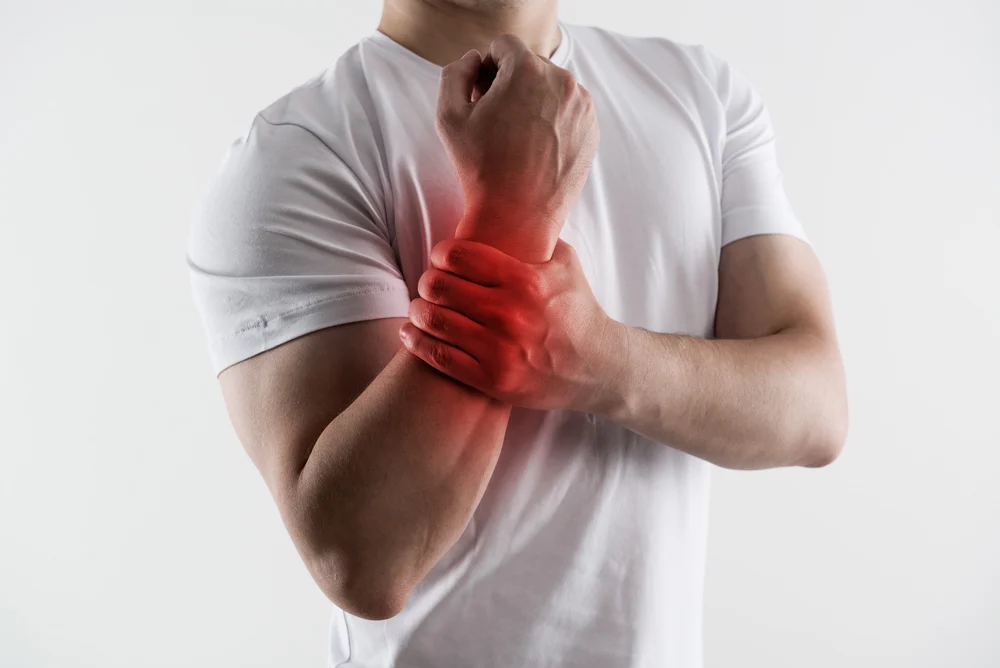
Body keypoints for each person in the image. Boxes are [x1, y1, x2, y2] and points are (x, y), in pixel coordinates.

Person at [187, 0, 848, 665]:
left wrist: (601, 361)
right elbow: (362, 560)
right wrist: (513, 214)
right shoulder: (295, 155)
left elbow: (817, 409)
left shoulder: (702, 92)